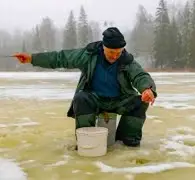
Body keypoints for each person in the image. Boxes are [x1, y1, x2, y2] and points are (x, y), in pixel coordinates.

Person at [13, 27, 157, 147]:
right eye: (111, 52)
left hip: (119, 100)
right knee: (81, 98)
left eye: (118, 53)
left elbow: (140, 76)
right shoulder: (88, 55)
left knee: (140, 102)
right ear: (103, 47)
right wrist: (32, 58)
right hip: (94, 99)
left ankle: (126, 142)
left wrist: (147, 89)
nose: (114, 56)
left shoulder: (127, 61)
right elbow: (61, 58)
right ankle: (86, 141)